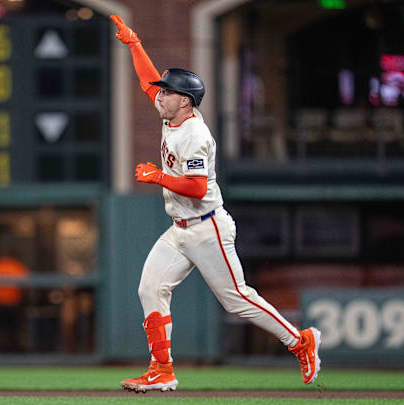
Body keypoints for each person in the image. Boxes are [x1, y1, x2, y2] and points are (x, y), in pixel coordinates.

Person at [110, 16, 321, 393]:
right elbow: (146, 80)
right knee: (150, 288)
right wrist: (134, 44)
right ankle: (162, 369)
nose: (159, 94)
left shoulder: (195, 134)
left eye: (167, 92)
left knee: (237, 299)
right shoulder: (172, 114)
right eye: (161, 91)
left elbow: (193, 186)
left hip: (207, 227)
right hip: (179, 229)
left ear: (185, 100)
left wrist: (156, 176)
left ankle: (299, 340)